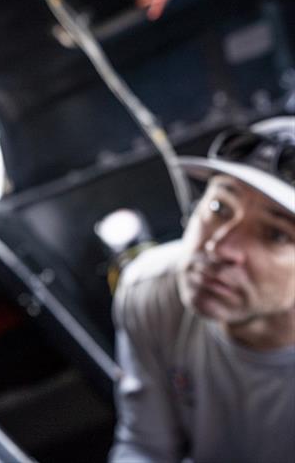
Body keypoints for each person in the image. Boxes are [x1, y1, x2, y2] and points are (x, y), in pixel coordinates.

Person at [110, 116, 295, 463]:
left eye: (275, 234)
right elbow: (144, 445)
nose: (220, 247)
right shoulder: (150, 290)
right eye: (219, 208)